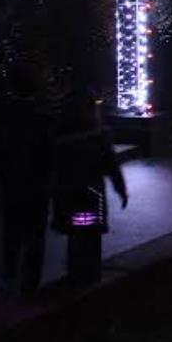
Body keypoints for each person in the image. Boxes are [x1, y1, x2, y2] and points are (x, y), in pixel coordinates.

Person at [51, 90, 128, 287]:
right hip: (92, 193)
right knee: (92, 236)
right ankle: (91, 275)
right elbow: (111, 165)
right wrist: (121, 190)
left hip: (68, 193)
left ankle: (75, 274)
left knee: (74, 235)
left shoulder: (59, 135)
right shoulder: (98, 134)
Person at [0, 61, 54, 298]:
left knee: (12, 233)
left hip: (12, 184)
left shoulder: (3, 115)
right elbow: (49, 153)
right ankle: (30, 283)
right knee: (35, 235)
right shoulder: (42, 117)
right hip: (36, 185)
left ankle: (10, 278)